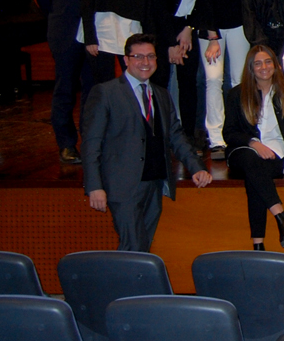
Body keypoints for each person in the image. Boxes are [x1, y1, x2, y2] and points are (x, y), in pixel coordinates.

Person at [82, 33, 212, 252]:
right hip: (123, 187)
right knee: (132, 248)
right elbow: (91, 143)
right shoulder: (106, 93)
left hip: (154, 184)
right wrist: (94, 186)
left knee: (143, 249)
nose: (145, 63)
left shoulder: (161, 94)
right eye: (138, 57)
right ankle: (128, 287)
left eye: (150, 57)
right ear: (126, 59)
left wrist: (196, 167)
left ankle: (138, 286)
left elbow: (176, 136)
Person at [35, 0, 109, 164]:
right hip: (66, 31)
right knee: (65, 88)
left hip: (96, 32)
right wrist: (61, 15)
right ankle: (66, 144)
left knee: (93, 89)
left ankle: (90, 140)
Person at [222, 45, 284, 251]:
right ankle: (280, 216)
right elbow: (229, 133)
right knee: (252, 161)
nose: (263, 67)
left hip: (278, 154)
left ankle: (258, 244)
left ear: (275, 65)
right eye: (257, 63)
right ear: (250, 68)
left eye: (268, 62)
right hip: (243, 151)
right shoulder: (236, 94)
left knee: (255, 177)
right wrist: (254, 143)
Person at [147, 0, 211, 151]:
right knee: (159, 83)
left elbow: (204, 3)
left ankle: (188, 136)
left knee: (189, 84)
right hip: (163, 30)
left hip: (189, 27)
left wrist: (189, 30)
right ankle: (157, 135)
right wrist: (170, 45)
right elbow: (158, 10)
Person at [201, 0, 256, 151]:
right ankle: (215, 138)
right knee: (213, 80)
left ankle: (239, 131)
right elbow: (205, 3)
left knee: (240, 81)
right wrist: (213, 37)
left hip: (240, 29)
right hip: (212, 29)